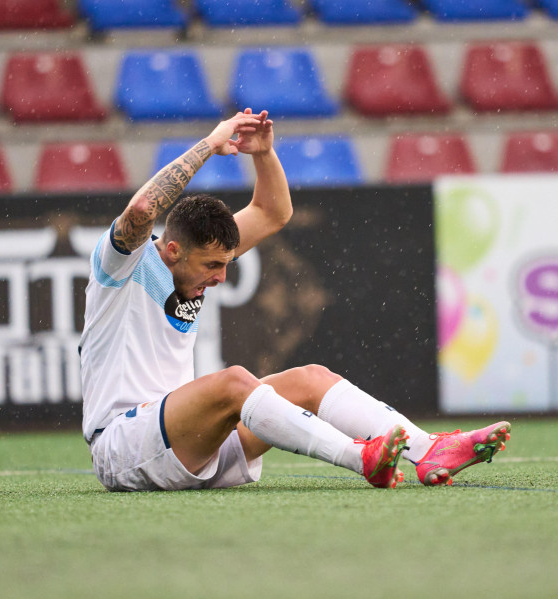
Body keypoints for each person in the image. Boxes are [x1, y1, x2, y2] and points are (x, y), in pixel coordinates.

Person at [79, 108, 510, 492]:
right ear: (174, 250)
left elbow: (272, 213)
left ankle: (429, 449)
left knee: (310, 378)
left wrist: (263, 154)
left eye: (225, 263)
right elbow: (140, 209)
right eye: (212, 265)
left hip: (187, 442)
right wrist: (211, 145)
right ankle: (360, 458)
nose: (221, 277)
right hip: (123, 447)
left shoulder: (194, 259)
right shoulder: (122, 264)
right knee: (233, 381)